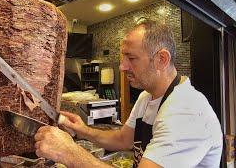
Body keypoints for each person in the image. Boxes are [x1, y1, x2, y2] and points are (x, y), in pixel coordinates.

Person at [34, 20, 223, 167]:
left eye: (131, 58)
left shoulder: (186, 112)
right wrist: (82, 129)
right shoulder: (146, 96)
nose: (122, 67)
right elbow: (123, 139)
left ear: (162, 59)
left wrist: (68, 152)